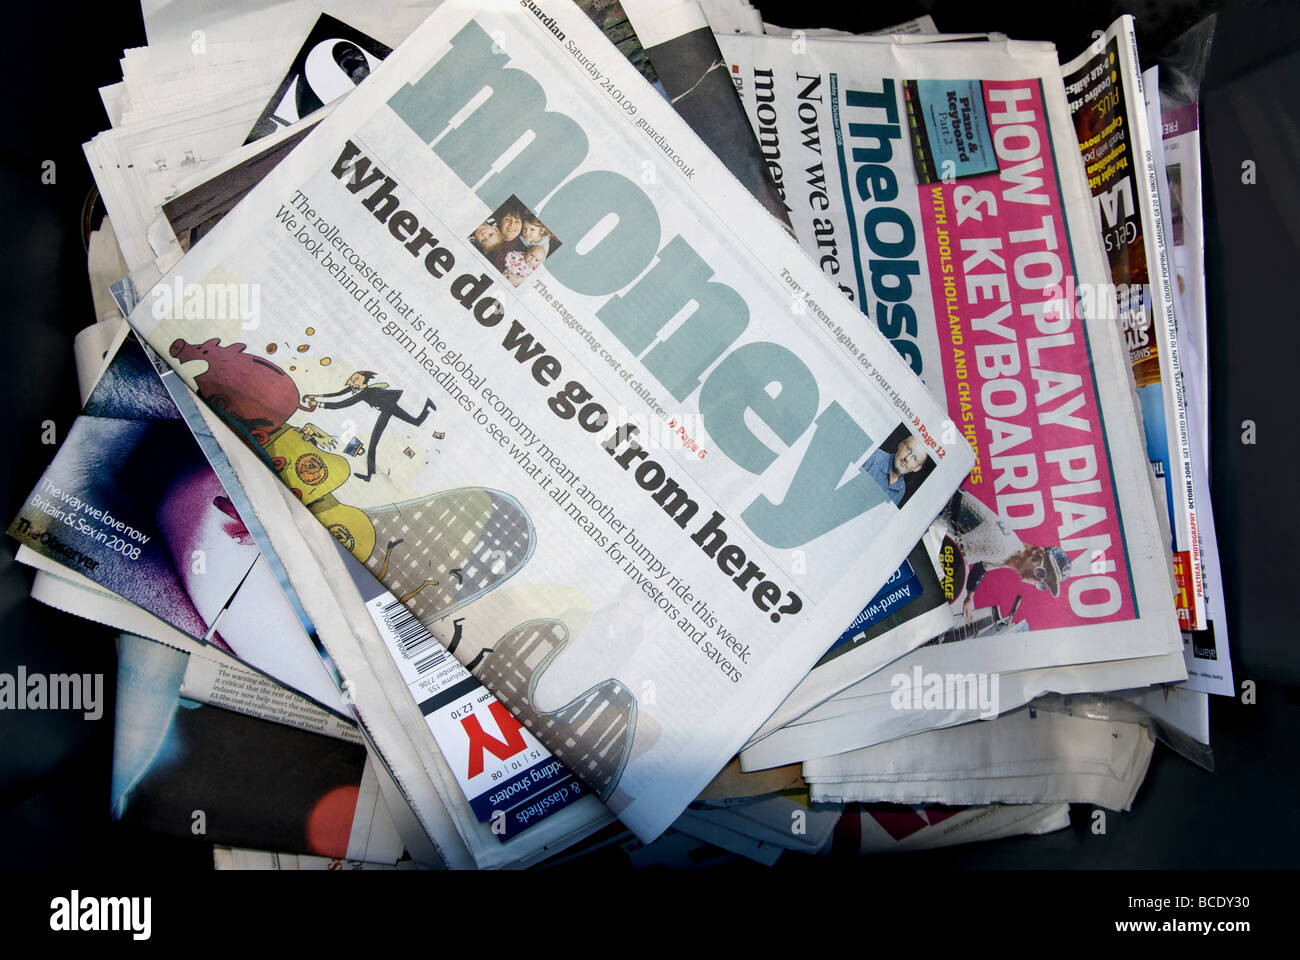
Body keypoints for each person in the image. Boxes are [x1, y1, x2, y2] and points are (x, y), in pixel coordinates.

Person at [938, 490, 1072, 622]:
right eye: (1041, 574)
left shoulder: (1013, 552)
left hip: (946, 505)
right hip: (940, 500)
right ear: (1037, 554)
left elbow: (981, 568)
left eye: (1042, 583)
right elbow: (948, 557)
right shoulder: (1001, 548)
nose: (1035, 581)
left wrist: (969, 597)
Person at [302, 371, 436, 482]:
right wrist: (316, 396)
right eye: (352, 378)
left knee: (377, 440)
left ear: (363, 382)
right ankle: (369, 474)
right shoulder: (355, 389)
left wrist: (319, 404)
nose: (352, 380)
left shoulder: (364, 392)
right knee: (411, 424)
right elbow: (337, 395)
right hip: (386, 408)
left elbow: (341, 404)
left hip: (388, 407)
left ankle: (427, 405)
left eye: (356, 379)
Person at [860, 433, 928, 506]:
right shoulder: (873, 457)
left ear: (917, 468)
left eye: (914, 459)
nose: (907, 459)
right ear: (901, 444)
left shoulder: (901, 490)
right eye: (908, 450)